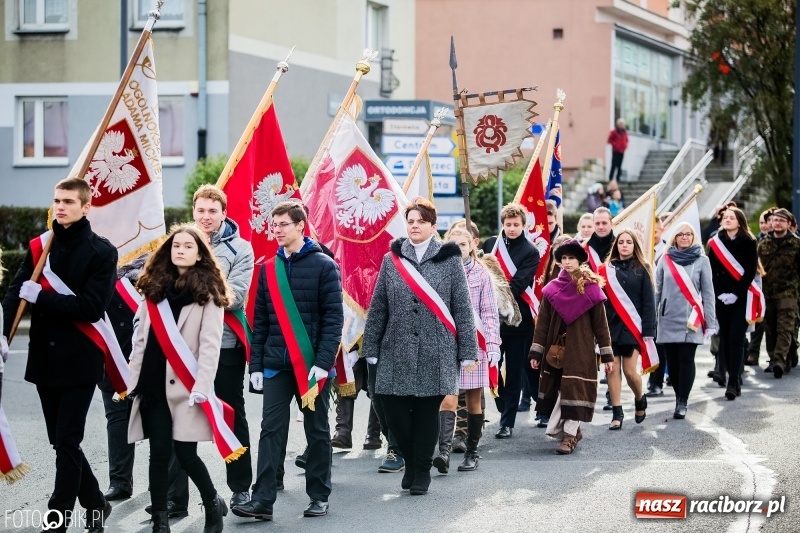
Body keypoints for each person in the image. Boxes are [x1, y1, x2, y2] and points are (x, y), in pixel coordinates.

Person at [2, 178, 115, 533]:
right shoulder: (40, 248)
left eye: (68, 201)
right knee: (61, 442)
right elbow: (15, 293)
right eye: (56, 200)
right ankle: (96, 503)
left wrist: (44, 298)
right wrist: (2, 334)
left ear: (86, 206)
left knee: (67, 441)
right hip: (44, 361)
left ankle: (58, 518)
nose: (60, 206)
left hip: (80, 361)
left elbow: (92, 307)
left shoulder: (102, 251)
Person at [234, 200, 343, 521]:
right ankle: (263, 500)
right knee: (271, 429)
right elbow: (261, 321)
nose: (277, 230)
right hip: (275, 365)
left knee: (317, 430)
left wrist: (323, 362)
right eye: (274, 224)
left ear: (300, 226)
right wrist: (255, 366)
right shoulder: (268, 269)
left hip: (311, 366)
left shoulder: (324, 266)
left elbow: (333, 320)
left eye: (283, 224)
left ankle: (319, 495)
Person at [363, 197, 477, 495]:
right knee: (395, 414)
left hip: (436, 350)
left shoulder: (449, 259)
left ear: (433, 226)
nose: (414, 226)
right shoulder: (393, 258)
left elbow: (462, 308)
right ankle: (411, 462)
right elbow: (379, 306)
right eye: (410, 221)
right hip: (395, 349)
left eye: (420, 221)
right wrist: (371, 346)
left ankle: (421, 471)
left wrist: (467, 351)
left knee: (427, 415)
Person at [127, 224, 231, 533]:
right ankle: (160, 521)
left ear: (200, 254)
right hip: (153, 384)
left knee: (185, 453)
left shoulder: (208, 293)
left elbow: (211, 346)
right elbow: (141, 339)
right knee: (158, 452)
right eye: (176, 246)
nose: (180, 250)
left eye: (188, 245)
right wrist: (133, 382)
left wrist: (202, 386)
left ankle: (213, 503)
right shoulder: (153, 289)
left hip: (188, 387)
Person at [192, 185, 255, 508]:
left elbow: (236, 296)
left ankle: (241, 485)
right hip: (184, 346)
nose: (206, 217)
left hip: (225, 345)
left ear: (224, 214)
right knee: (177, 417)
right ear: (194, 212)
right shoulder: (179, 244)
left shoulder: (241, 249)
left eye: (212, 211)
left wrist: (189, 291)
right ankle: (175, 497)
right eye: (201, 210)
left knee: (231, 414)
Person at [529, 239, 613, 454]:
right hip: (555, 349)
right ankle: (572, 431)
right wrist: (536, 351)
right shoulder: (551, 289)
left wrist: (607, 355)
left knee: (574, 390)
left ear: (579, 260)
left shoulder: (591, 288)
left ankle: (568, 436)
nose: (567, 262)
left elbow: (601, 325)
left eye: (571, 258)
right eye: (563, 258)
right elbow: (543, 323)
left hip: (581, 349)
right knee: (559, 390)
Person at [433, 227, 501, 473]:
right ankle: (444, 452)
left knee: (473, 402)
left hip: (474, 344)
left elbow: (490, 313)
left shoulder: (482, 274)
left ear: (472, 245)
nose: (458, 249)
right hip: (447, 344)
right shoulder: (440, 270)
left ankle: (471, 452)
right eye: (453, 244)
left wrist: (493, 346)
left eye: (462, 244)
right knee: (447, 399)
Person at [654, 223, 717, 419]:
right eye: (680, 234)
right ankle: (677, 396)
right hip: (668, 317)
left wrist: (711, 322)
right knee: (672, 362)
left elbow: (708, 293)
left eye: (688, 234)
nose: (684, 237)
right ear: (674, 237)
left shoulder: (702, 260)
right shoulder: (665, 259)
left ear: (693, 237)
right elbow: (658, 290)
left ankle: (683, 401)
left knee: (686, 358)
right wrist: (654, 321)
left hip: (691, 319)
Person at [100, 255, 148, 503]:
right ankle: (119, 481)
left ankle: (160, 484)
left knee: (157, 421)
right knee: (117, 420)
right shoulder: (100, 262)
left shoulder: (157, 268)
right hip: (112, 356)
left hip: (148, 357)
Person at [599, 229, 656, 429]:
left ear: (634, 246)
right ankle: (617, 414)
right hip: (610, 328)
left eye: (628, 242)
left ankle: (640, 398)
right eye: (621, 242)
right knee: (612, 370)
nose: (624, 245)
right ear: (616, 245)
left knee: (630, 371)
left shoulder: (642, 268)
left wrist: (649, 331)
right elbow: (600, 300)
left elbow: (649, 303)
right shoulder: (605, 270)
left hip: (633, 327)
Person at [492, 203, 540, 439]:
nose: (511, 229)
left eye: (516, 225)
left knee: (513, 372)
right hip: (490, 318)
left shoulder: (531, 251)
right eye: (508, 225)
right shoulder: (491, 246)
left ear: (524, 225)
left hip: (517, 319)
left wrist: (497, 298)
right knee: (491, 367)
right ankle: (502, 402)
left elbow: (520, 283)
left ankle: (507, 422)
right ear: (503, 225)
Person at [707, 206, 758, 399]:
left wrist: (736, 293)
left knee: (736, 338)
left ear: (739, 221)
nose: (727, 220)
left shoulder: (749, 241)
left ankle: (734, 380)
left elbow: (750, 271)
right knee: (725, 338)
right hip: (721, 297)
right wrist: (719, 293)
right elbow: (710, 271)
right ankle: (726, 373)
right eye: (725, 217)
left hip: (741, 297)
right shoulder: (715, 242)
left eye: (732, 217)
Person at [757, 208, 800, 378]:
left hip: (789, 292)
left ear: (788, 224)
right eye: (775, 220)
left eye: (781, 220)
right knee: (771, 328)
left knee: (785, 327)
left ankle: (779, 361)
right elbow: (757, 269)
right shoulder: (763, 245)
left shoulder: (796, 244)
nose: (777, 223)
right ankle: (778, 357)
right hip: (767, 293)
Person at [746, 209, 774, 366]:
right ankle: (753, 353)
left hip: (778, 290)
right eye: (761, 222)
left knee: (775, 326)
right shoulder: (755, 241)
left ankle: (779, 356)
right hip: (759, 289)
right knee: (757, 322)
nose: (764, 225)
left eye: (766, 222)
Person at [585, 207, 615, 272]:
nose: (600, 227)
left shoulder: (619, 246)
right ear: (593, 224)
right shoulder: (584, 248)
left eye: (604, 223)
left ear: (612, 224)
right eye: (597, 223)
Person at [607, 118, 628, 182]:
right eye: (621, 124)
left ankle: (618, 177)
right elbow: (609, 140)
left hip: (622, 151)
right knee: (614, 164)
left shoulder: (624, 132)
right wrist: (615, 145)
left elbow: (626, 140)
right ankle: (611, 178)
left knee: (620, 165)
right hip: (615, 151)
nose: (622, 125)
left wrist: (625, 146)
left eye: (623, 124)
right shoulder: (614, 132)